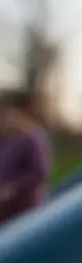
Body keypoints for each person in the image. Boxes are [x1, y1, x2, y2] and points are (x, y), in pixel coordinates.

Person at [0, 89, 52, 225]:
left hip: (26, 211)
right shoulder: (4, 140)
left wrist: (13, 188)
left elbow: (40, 172)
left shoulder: (32, 139)